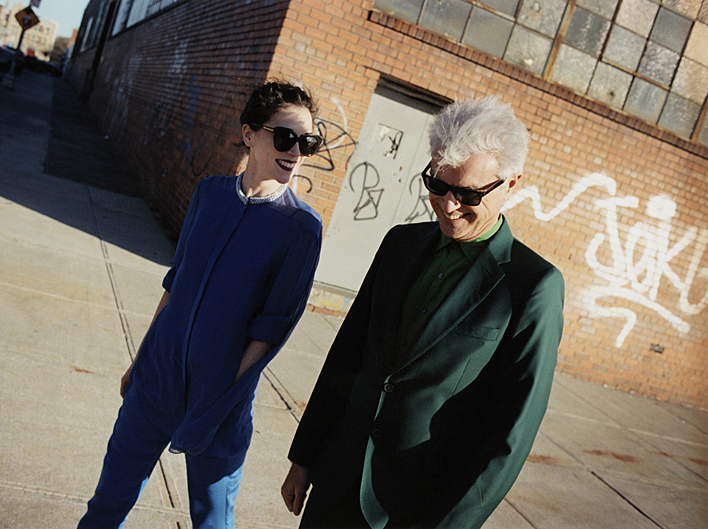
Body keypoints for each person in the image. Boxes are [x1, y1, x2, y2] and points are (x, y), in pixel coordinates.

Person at [281, 96, 565, 528]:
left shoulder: (533, 286)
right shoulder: (400, 243)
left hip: (415, 508)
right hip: (337, 482)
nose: (449, 205)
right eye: (438, 185)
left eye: (469, 193)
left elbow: (510, 432)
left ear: (511, 184)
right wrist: (304, 457)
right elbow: (347, 355)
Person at [79, 80, 324, 529]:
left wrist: (219, 401)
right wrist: (142, 359)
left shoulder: (300, 228)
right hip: (156, 381)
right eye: (286, 137)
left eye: (307, 141)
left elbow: (271, 331)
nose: (297, 151)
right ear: (250, 134)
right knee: (106, 504)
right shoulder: (208, 194)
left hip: (221, 402)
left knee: (211, 521)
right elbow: (176, 284)